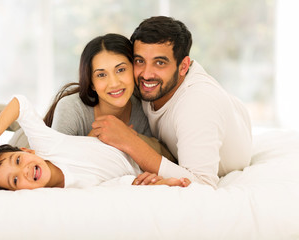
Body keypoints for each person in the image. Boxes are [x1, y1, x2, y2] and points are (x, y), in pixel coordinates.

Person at [0, 33, 175, 177]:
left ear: (133, 69)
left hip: (55, 132)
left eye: (121, 70)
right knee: (24, 123)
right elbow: (58, 161)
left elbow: (156, 158)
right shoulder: (71, 108)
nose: (114, 83)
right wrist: (92, 141)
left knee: (36, 118)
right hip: (34, 143)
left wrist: (127, 138)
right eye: (101, 75)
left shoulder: (144, 107)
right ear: (92, 83)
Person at [91, 16, 252, 188]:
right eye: (140, 61)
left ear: (183, 67)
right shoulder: (143, 83)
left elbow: (202, 184)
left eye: (160, 63)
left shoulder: (198, 104)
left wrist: (131, 142)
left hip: (231, 126)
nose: (146, 74)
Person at [0, 95, 190, 190]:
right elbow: (125, 184)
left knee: (22, 131)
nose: (22, 171)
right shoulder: (74, 190)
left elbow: (20, 103)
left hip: (132, 141)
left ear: (27, 152)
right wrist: (160, 183)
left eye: (18, 161)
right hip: (135, 163)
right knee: (22, 132)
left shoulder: (44, 147)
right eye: (14, 181)